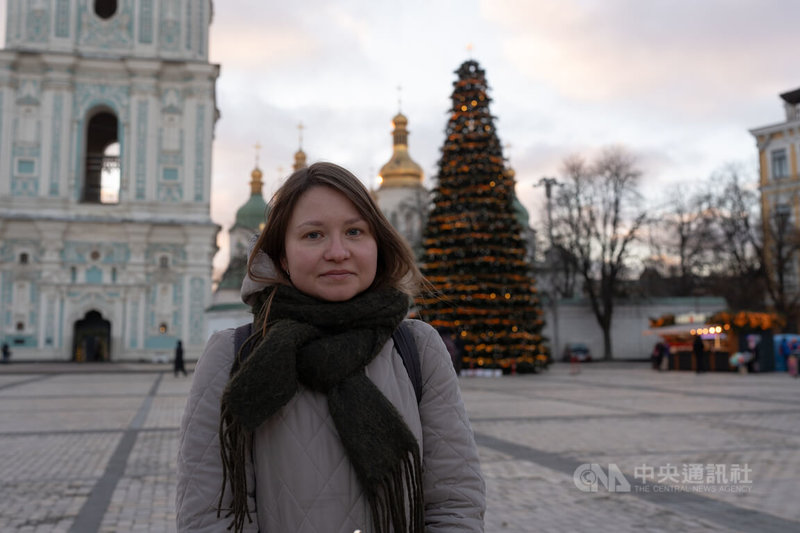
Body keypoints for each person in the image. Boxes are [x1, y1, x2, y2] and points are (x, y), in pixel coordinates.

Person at [176, 162, 485, 532]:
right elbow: (211, 516)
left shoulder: (418, 349)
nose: (338, 252)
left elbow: (455, 501)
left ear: (377, 244)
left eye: (354, 231)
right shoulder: (233, 355)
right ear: (283, 256)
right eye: (313, 235)